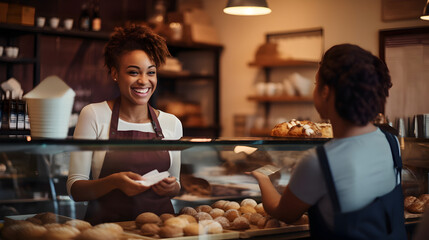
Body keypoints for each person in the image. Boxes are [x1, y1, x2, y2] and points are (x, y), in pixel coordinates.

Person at [249, 44, 406, 239]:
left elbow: (284, 213)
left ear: (326, 92)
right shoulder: (391, 143)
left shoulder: (318, 161)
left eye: (316, 84)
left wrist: (262, 178)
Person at [67, 25, 183, 224]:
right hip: (108, 232)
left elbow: (176, 183)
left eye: (151, 72)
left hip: (160, 232)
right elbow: (75, 189)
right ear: (115, 73)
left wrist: (172, 187)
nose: (144, 81)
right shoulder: (94, 114)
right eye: (133, 72)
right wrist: (114, 182)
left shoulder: (171, 123)